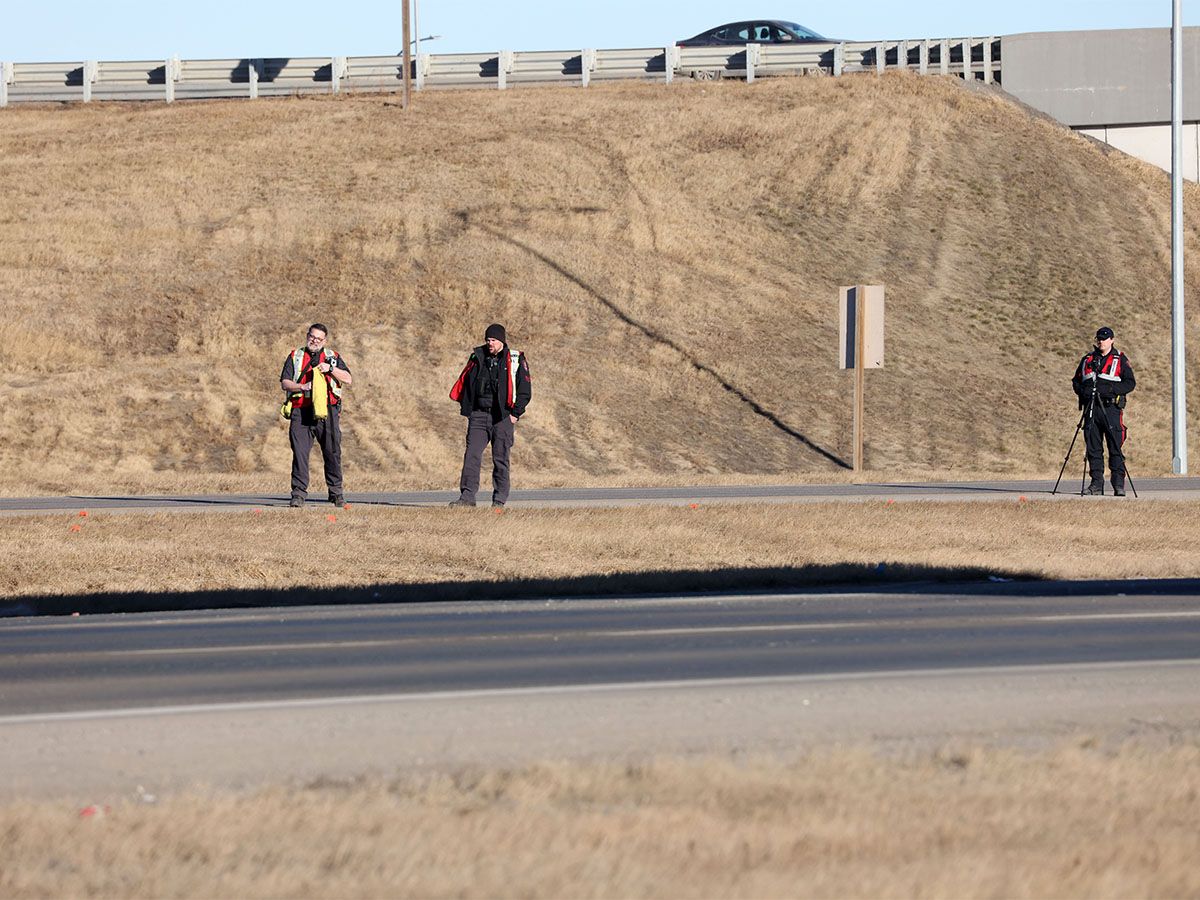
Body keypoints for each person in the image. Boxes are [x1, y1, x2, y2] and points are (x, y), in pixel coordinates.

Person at [448, 323, 531, 508]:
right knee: (472, 455)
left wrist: (515, 414)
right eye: (487, 339)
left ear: (501, 341)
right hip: (478, 416)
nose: (489, 343)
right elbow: (466, 383)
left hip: (502, 417)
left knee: (500, 459)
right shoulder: (477, 357)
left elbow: (525, 390)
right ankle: (467, 498)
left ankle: (499, 501)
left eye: (493, 340)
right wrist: (468, 409)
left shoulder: (515, 359)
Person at [280, 323, 353, 508]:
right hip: (301, 411)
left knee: (332, 453)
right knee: (300, 454)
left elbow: (348, 378)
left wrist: (330, 369)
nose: (315, 341)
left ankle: (336, 493)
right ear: (307, 336)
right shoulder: (295, 356)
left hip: (328, 412)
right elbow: (285, 383)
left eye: (319, 339)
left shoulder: (333, 357)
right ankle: (298, 494)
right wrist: (302, 387)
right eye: (312, 337)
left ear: (325, 341)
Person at [1071, 326, 1135, 496]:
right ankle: (1096, 484)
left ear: (1112, 340)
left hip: (1111, 409)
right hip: (1091, 409)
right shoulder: (1087, 359)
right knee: (1093, 448)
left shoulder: (1119, 359)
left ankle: (1118, 484)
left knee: (1115, 446)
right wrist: (1083, 391)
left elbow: (1130, 383)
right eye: (1099, 338)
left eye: (1105, 338)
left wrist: (1110, 390)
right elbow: (1076, 381)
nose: (1101, 341)